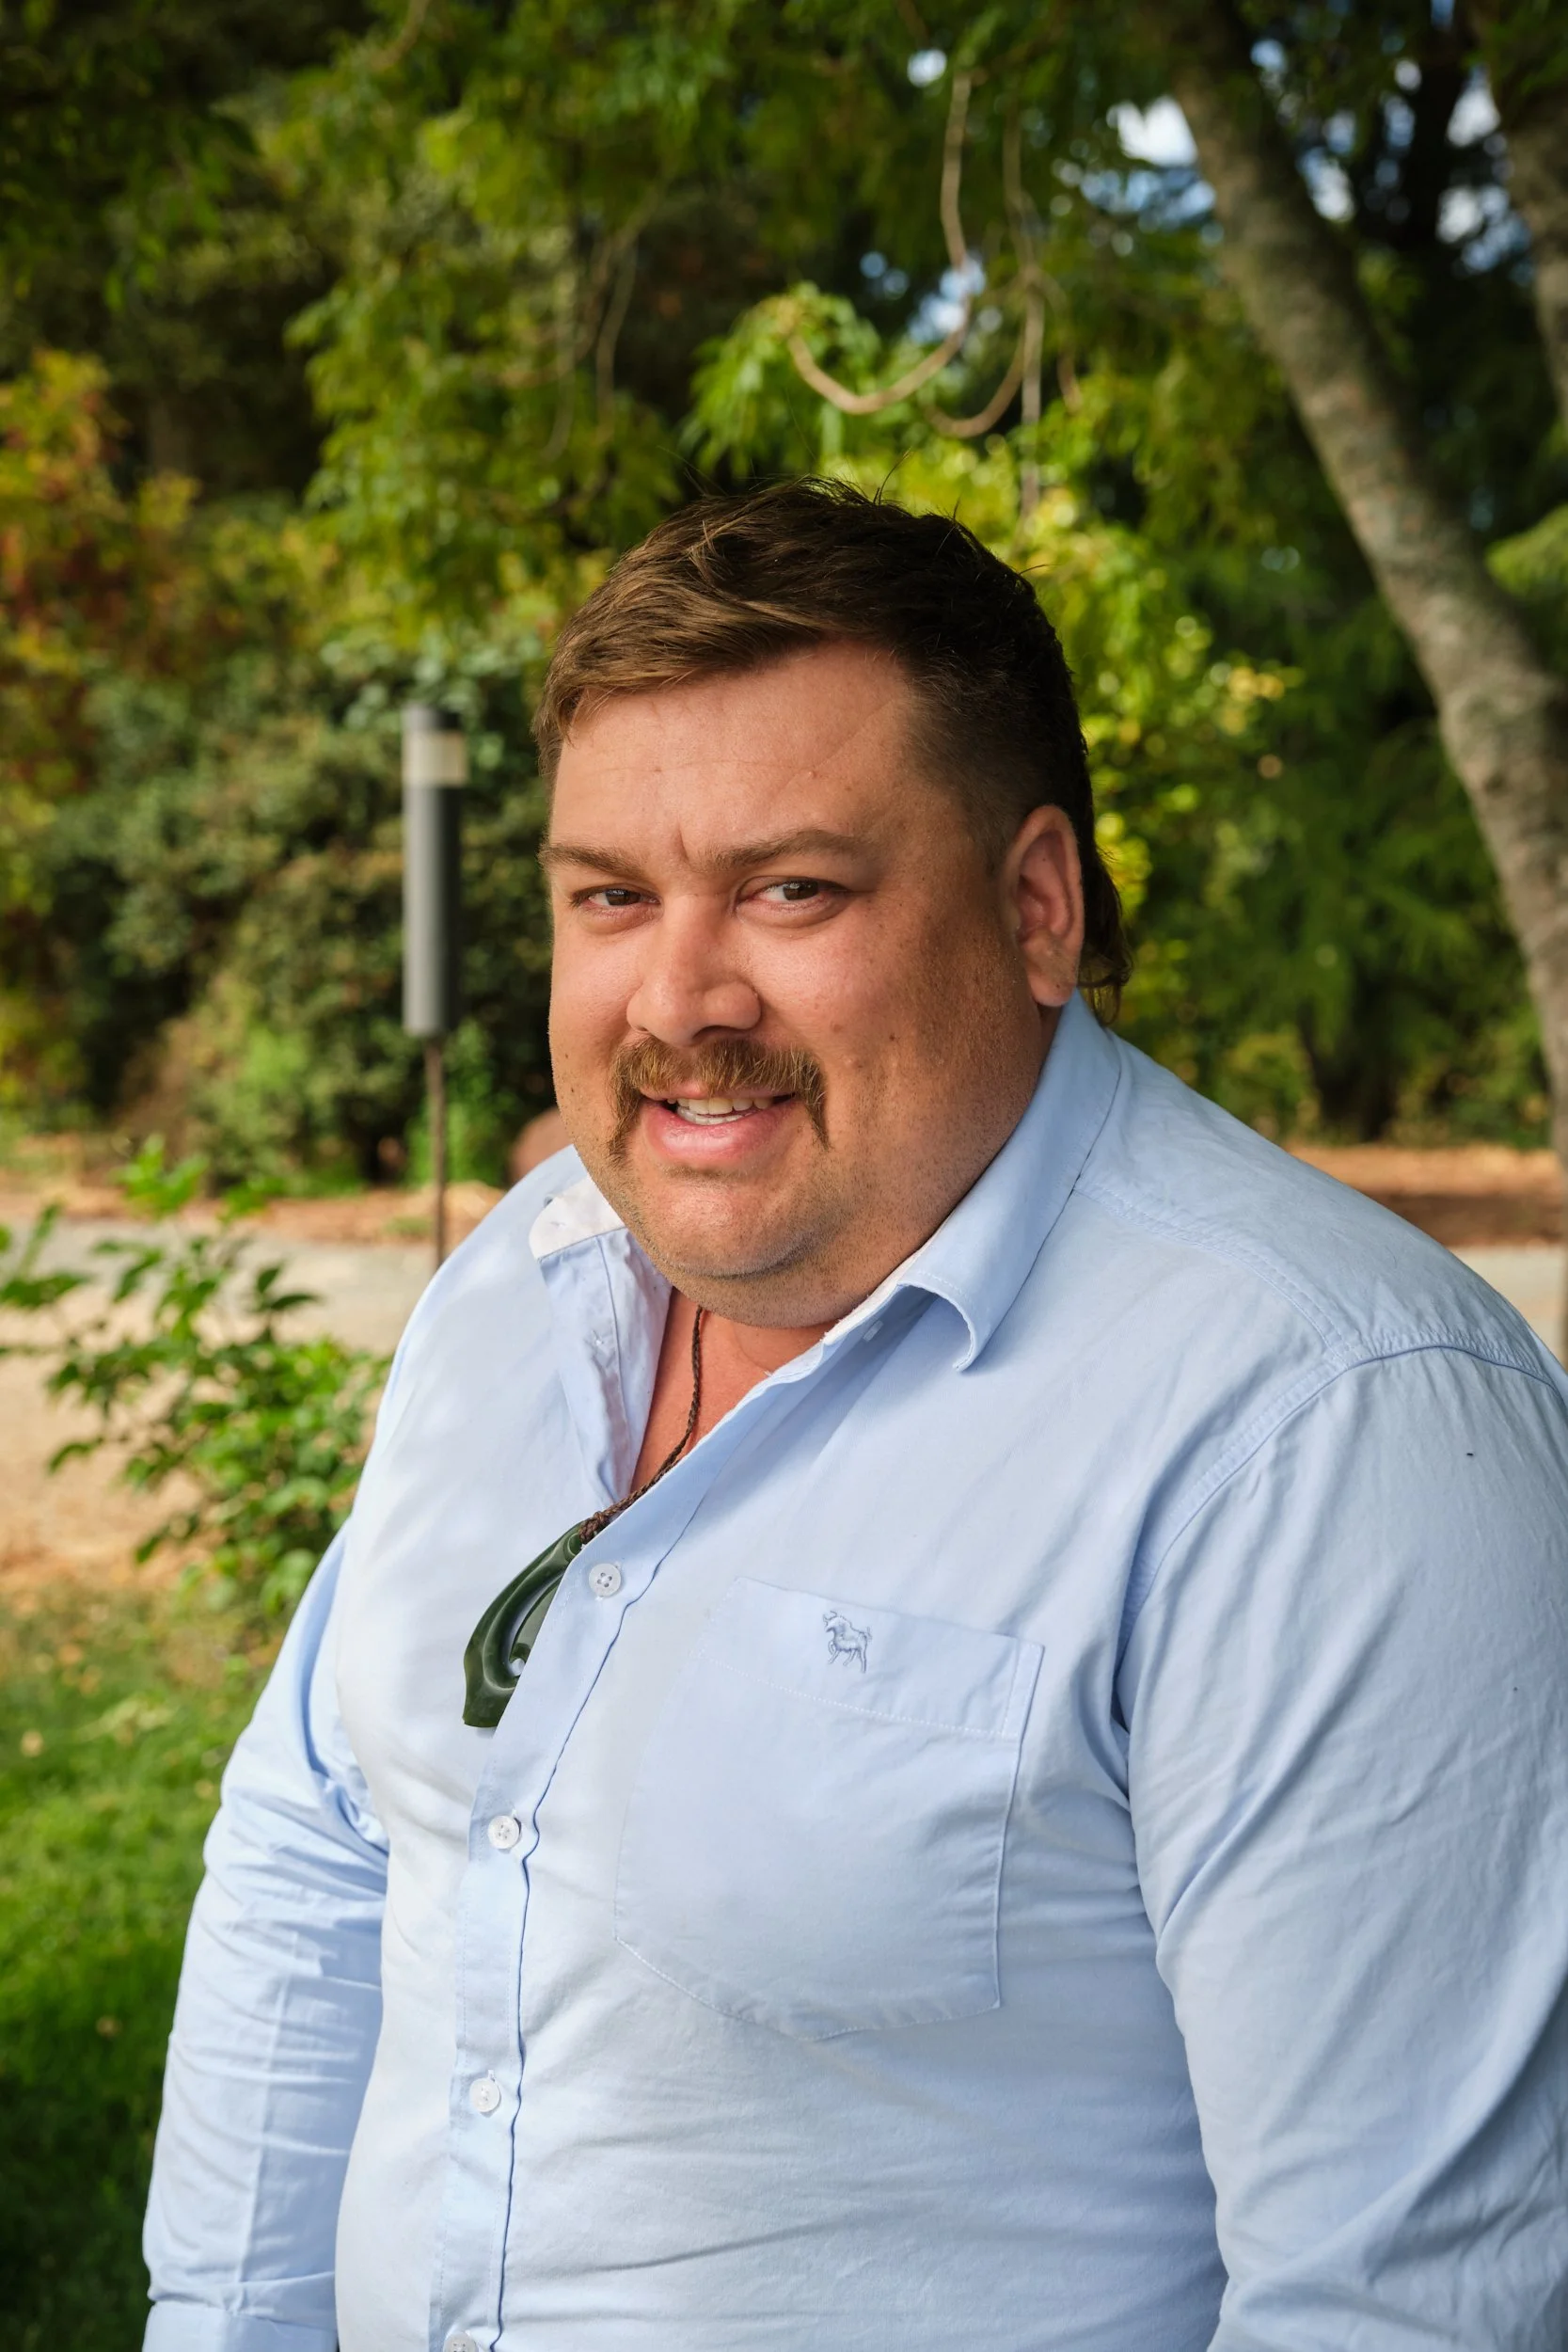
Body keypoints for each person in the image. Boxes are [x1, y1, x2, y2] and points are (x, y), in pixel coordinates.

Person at [143, 482, 1568, 2352]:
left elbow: (1399, 2299)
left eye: (788, 886)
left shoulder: (1331, 1430)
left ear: (1034, 902)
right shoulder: (524, 1275)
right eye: (608, 898)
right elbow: (323, 1837)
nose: (676, 998)